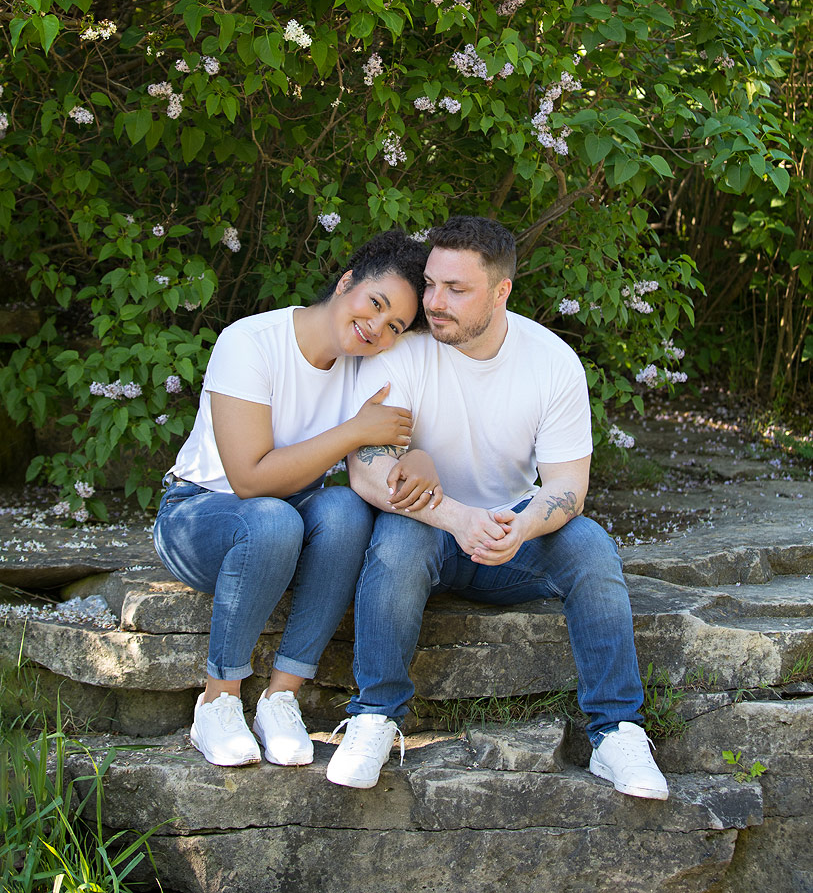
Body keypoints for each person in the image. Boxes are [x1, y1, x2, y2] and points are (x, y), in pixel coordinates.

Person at [325, 215, 668, 801]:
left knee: (590, 545)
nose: (434, 302)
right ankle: (375, 717)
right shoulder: (402, 352)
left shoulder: (551, 361)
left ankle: (617, 733)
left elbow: (567, 486)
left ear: (501, 291)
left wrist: (521, 526)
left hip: (512, 534)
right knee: (399, 538)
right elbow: (367, 466)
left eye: (456, 289)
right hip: (432, 524)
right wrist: (457, 517)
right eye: (431, 284)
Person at [153, 229, 434, 769]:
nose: (377, 328)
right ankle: (218, 700)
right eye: (374, 304)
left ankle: (281, 697)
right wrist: (353, 431)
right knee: (272, 519)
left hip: (285, 519)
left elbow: (393, 451)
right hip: (200, 513)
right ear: (347, 281)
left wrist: (420, 457)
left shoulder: (367, 365)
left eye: (395, 325)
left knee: (348, 509)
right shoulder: (250, 341)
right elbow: (249, 480)